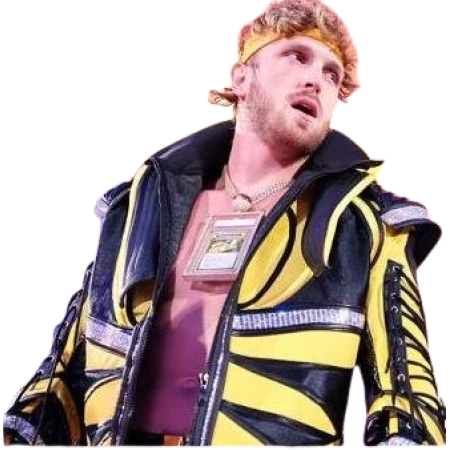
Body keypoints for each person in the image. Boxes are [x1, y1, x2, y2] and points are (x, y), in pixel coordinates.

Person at [3, 0, 446, 447]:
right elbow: (61, 376)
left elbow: (407, 403)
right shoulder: (137, 209)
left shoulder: (365, 227)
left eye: (332, 74)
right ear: (241, 78)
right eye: (297, 56)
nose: (317, 79)